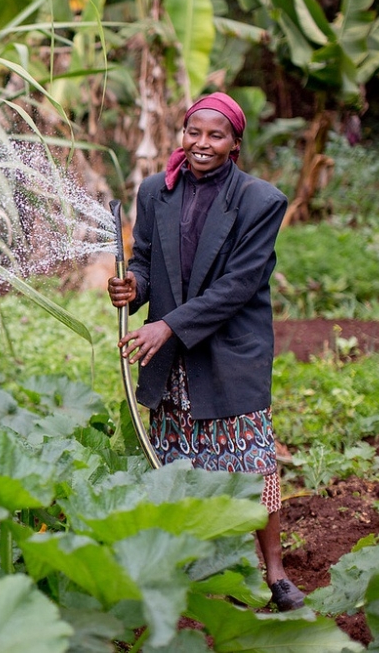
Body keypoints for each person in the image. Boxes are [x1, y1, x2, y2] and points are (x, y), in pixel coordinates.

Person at [107, 92, 306, 612]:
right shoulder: (155, 192)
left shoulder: (260, 202)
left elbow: (239, 285)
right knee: (176, 463)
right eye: (194, 132)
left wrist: (167, 326)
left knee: (252, 462)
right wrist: (133, 285)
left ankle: (276, 573)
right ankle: (192, 574)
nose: (202, 144)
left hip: (228, 352)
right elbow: (146, 260)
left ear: (235, 144)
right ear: (183, 135)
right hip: (171, 357)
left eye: (215, 135)